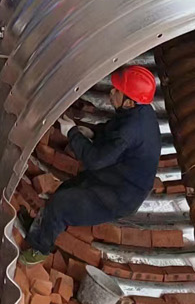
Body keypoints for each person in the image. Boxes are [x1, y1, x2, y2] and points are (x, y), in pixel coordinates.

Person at [18, 64, 161, 265]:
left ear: (129, 102)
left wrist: (72, 134)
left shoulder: (130, 131)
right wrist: (93, 132)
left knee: (61, 206)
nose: (111, 92)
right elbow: (113, 132)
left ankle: (40, 250)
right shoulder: (140, 113)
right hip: (113, 177)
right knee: (64, 191)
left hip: (118, 196)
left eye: (117, 91)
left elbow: (95, 160)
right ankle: (38, 231)